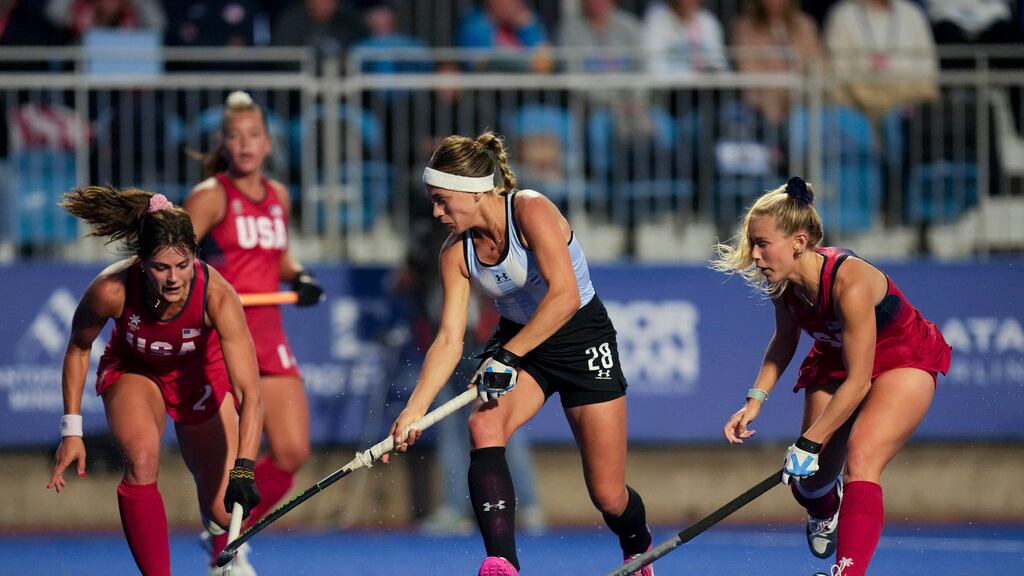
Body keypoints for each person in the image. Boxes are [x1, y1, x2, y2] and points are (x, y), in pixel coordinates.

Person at [381, 132, 653, 576]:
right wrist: (414, 410)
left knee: (608, 494)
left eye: (442, 200)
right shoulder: (454, 254)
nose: (436, 211)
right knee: (484, 423)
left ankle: (638, 546)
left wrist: (505, 357)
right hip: (522, 343)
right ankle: (502, 563)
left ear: (475, 190)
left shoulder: (531, 209)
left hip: (581, 339)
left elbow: (564, 296)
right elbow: (448, 339)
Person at [712, 177, 951, 576]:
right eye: (752, 243)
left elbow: (860, 382)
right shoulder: (782, 282)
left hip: (900, 358)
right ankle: (826, 507)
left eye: (762, 243)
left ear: (799, 242)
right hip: (836, 360)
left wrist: (808, 442)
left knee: (861, 457)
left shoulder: (850, 282)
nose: (754, 254)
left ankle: (848, 571)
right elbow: (785, 340)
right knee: (809, 485)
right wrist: (755, 400)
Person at [47, 186, 264, 576]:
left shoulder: (217, 296)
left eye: (183, 265)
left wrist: (244, 469)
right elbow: (79, 349)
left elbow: (250, 393)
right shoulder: (111, 290)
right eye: (161, 268)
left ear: (195, 257)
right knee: (142, 459)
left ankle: (220, 554)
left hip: (199, 372)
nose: (174, 279)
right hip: (136, 370)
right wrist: (71, 430)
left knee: (222, 510)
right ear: (142, 263)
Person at [184, 90, 323, 573]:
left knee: (291, 451)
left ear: (268, 144)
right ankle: (229, 543)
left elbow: (277, 254)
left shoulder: (280, 195)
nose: (244, 145)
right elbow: (174, 258)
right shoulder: (210, 195)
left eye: (253, 136)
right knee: (228, 468)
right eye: (234, 137)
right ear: (223, 144)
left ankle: (228, 534)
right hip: (221, 337)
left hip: (268, 334)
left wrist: (299, 275)